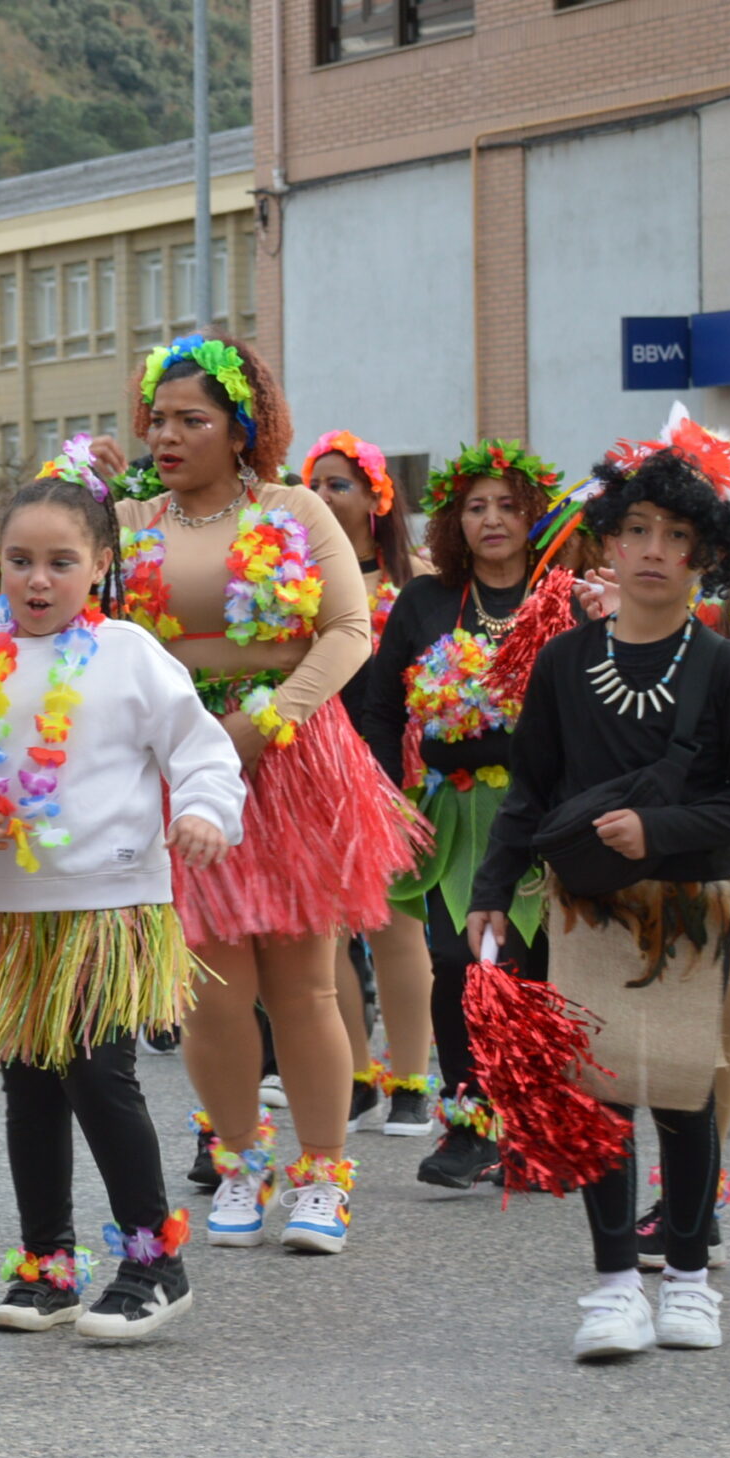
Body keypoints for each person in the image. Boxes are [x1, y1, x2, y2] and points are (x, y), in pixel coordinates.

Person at [0, 451, 243, 1340]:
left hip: (108, 903)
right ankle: (47, 1261)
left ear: (100, 564)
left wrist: (207, 811)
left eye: (62, 561)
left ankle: (153, 1259)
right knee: (29, 1086)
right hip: (4, 912)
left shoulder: (131, 657)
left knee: (99, 1074)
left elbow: (203, 752)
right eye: (21, 560)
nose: (39, 578)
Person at [100, 335, 420, 1256]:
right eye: (157, 419)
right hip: (176, 766)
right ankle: (241, 1158)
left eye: (190, 420)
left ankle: (323, 1174)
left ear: (241, 430)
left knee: (304, 986)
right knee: (209, 991)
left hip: (288, 761)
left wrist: (271, 719)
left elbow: (349, 628)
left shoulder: (294, 507)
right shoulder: (127, 521)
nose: (166, 435)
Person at [468, 412, 730, 1359]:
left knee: (681, 1091)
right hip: (585, 909)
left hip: (688, 906)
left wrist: (661, 830)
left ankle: (685, 1280)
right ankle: (609, 1288)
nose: (655, 552)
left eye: (679, 538)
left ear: (704, 556)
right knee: (598, 1096)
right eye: (637, 530)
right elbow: (532, 788)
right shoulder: (563, 661)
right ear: (608, 539)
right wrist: (491, 884)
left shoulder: (724, 669)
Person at [362, 442, 567, 1190]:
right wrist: (388, 795)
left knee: (533, 971)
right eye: (475, 507)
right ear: (454, 520)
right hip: (452, 813)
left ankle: (540, 1128)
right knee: (455, 965)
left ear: (534, 515)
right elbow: (382, 709)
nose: (492, 520)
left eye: (508, 505)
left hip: (546, 816)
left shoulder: (567, 596)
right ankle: (470, 1124)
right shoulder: (425, 602)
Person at [301, 430, 435, 1133]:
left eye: (339, 486)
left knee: (394, 924)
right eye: (315, 485)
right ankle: (355, 1073)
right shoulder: (291, 581)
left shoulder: (415, 584)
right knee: (326, 934)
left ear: (376, 500)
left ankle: (411, 1077)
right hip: (316, 764)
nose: (321, 497)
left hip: (390, 768)